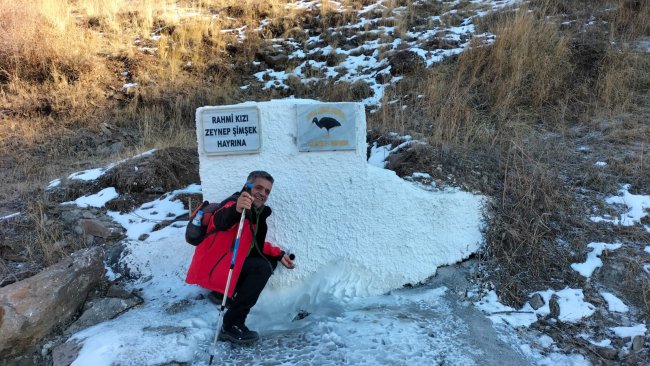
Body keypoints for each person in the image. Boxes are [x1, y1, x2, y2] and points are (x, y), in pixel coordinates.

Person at [185, 170, 295, 345]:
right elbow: (221, 220)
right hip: (213, 268)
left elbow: (253, 245)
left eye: (267, 191)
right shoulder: (232, 205)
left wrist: (279, 254)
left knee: (267, 262)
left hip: (225, 266)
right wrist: (237, 209)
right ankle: (232, 324)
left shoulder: (257, 213)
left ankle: (222, 294)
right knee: (262, 268)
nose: (263, 194)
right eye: (259, 187)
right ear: (248, 186)